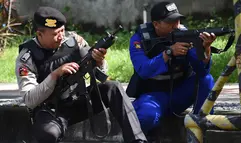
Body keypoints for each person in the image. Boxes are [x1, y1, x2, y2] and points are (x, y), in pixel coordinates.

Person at [15, 6, 147, 143]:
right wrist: (54, 75)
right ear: (39, 34)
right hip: (51, 110)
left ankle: (138, 140)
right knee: (48, 134)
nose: (61, 36)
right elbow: (30, 100)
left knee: (113, 87)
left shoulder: (74, 42)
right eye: (55, 34)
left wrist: (99, 61)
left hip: (79, 101)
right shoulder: (27, 57)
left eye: (62, 31)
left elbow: (100, 74)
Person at [126, 1, 216, 134]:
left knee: (207, 80)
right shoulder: (139, 40)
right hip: (153, 95)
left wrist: (205, 49)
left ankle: (201, 126)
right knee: (146, 117)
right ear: (156, 24)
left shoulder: (184, 35)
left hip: (180, 93)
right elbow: (144, 70)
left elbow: (202, 71)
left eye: (178, 20)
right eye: (170, 21)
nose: (176, 25)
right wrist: (168, 53)